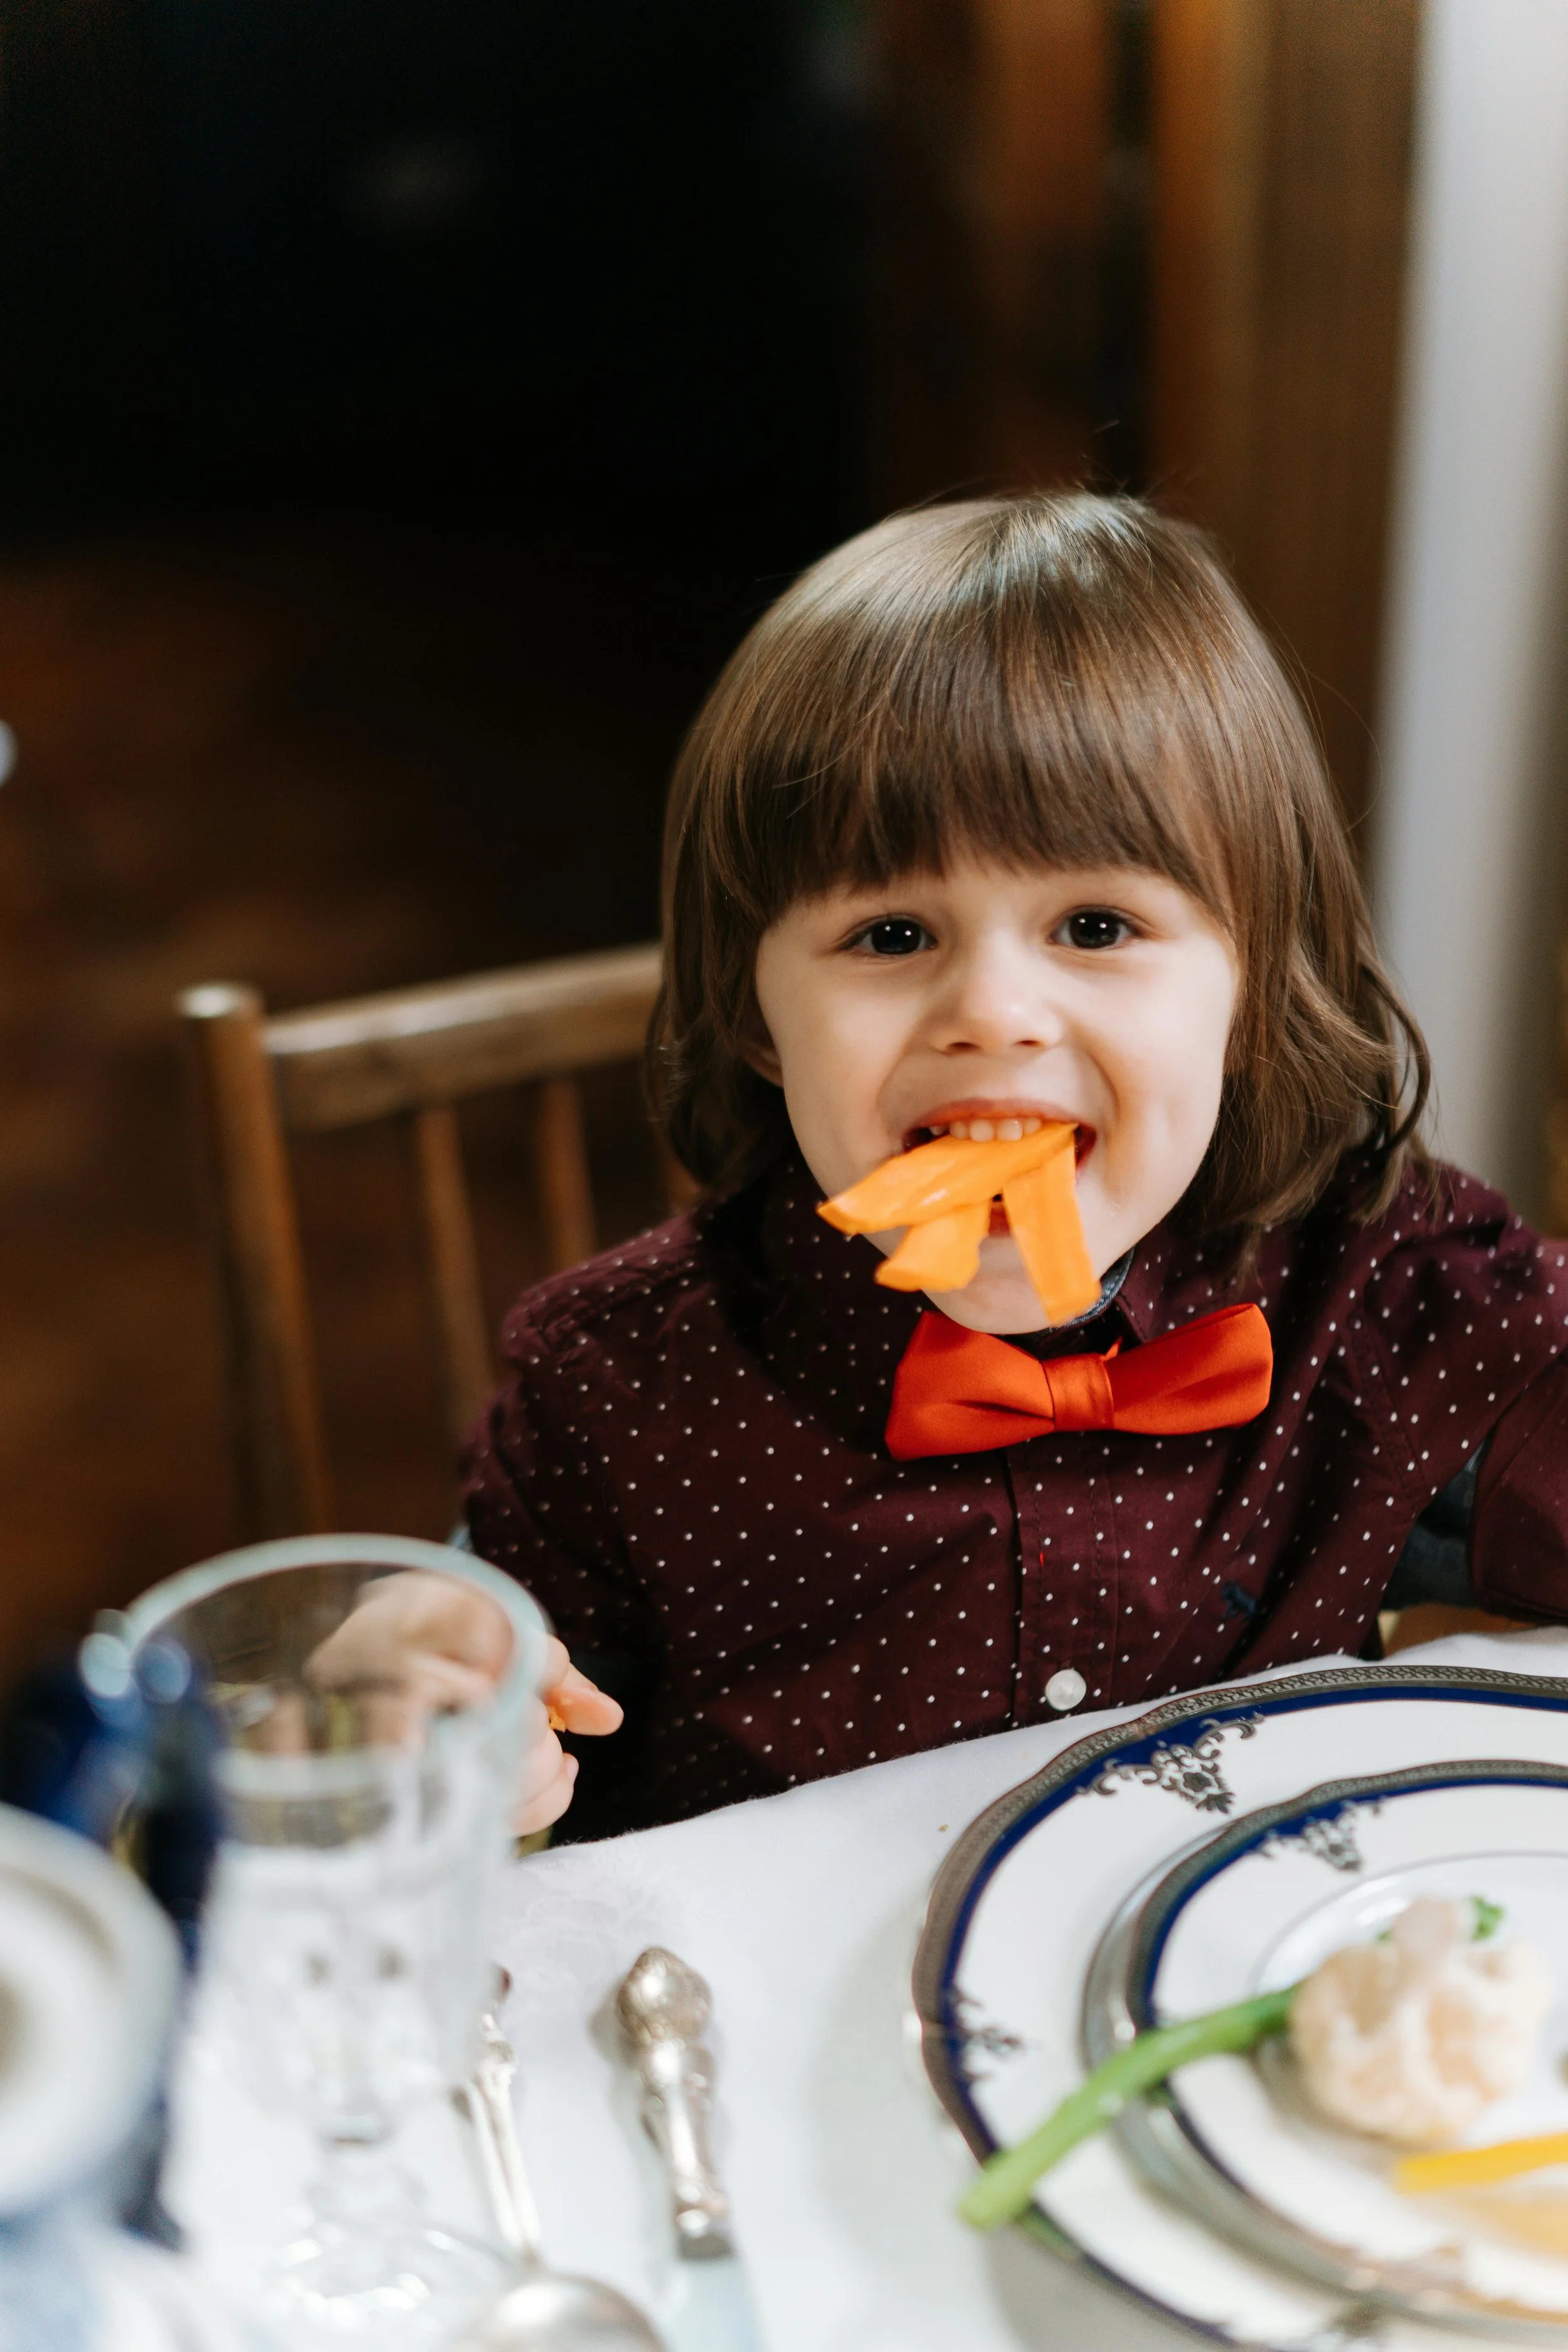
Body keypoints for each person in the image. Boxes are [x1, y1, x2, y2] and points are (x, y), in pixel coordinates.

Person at [442, 492, 1568, 1837]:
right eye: (891, 933)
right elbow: (475, 1711)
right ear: (753, 1015)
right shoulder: (619, 1388)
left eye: (1093, 923)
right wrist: (459, 1722)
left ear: (1248, 993)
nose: (992, 1011)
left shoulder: (1386, 1298)